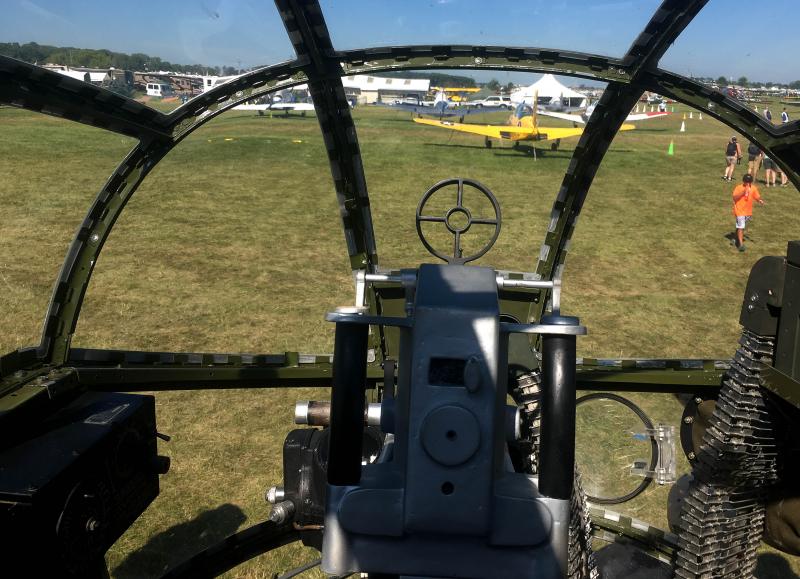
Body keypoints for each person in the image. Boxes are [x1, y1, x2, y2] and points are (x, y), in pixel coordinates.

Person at [732, 173, 765, 252]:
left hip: (748, 212)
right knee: (741, 227)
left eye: (749, 182)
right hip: (739, 210)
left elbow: (756, 196)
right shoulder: (739, 187)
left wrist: (759, 200)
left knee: (740, 227)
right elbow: (734, 198)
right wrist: (743, 192)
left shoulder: (753, 188)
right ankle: (740, 245)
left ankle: (735, 239)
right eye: (746, 182)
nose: (747, 183)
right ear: (743, 181)